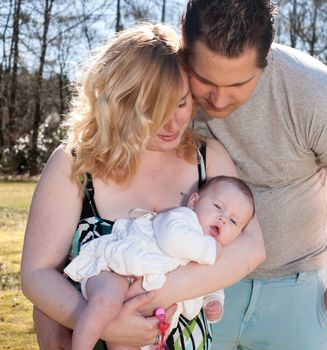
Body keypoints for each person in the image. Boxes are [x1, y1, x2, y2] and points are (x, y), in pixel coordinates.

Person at [20, 22, 265, 350]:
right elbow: (36, 274)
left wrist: (158, 294)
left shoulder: (208, 157)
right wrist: (101, 321)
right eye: (153, 109)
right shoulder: (76, 164)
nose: (172, 122)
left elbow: (252, 248)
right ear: (120, 102)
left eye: (180, 103)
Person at [180, 1, 327, 349]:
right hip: (196, 285)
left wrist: (323, 317)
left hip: (295, 299)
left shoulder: (318, 95)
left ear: (266, 60)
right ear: (184, 43)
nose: (217, 99)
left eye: (237, 83)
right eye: (203, 79)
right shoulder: (162, 82)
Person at [63, 175, 256, 350]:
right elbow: (171, 238)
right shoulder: (183, 219)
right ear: (194, 202)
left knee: (126, 340)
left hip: (147, 306)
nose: (223, 218)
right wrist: (210, 250)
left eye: (233, 221)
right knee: (105, 303)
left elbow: (213, 283)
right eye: (217, 207)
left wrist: (214, 301)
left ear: (237, 235)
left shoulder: (212, 253)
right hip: (117, 270)